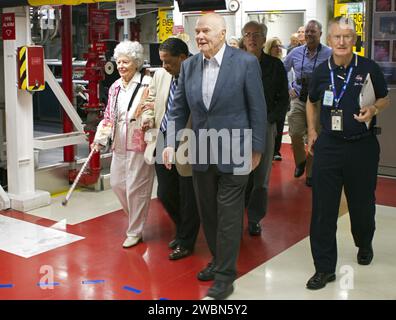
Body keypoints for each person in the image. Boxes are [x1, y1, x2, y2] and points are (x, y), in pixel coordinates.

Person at [162, 13, 266, 299]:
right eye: (197, 31)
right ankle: (219, 260)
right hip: (202, 150)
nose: (200, 36)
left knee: (230, 214)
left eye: (206, 30)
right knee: (208, 213)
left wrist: (257, 148)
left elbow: (257, 108)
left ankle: (224, 277)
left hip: (237, 149)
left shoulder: (245, 63)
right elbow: (178, 108)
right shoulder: (190, 67)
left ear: (222, 33)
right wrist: (170, 141)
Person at [306, 16, 390, 290]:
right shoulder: (321, 71)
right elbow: (311, 101)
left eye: (347, 37)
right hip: (329, 145)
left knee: (362, 204)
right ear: (329, 40)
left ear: (354, 40)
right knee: (323, 209)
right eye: (337, 37)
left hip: (362, 145)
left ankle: (364, 243)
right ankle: (324, 268)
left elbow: (384, 97)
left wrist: (374, 109)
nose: (342, 42)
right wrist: (312, 130)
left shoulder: (368, 68)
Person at [142, 37, 200, 260]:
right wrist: (147, 117)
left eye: (169, 62)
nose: (164, 66)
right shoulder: (160, 75)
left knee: (188, 193)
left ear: (183, 59)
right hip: (163, 137)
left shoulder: (198, 75)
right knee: (165, 192)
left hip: (189, 139)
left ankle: (186, 240)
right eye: (162, 61)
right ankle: (184, 227)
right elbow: (150, 101)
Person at [92, 41, 155, 248]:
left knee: (136, 188)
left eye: (125, 62)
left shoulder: (147, 83)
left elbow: (151, 109)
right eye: (118, 61)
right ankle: (138, 218)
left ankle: (135, 230)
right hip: (119, 141)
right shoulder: (115, 87)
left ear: (135, 62)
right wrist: (100, 138)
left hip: (140, 141)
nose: (120, 66)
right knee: (117, 183)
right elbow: (109, 115)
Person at [243, 27, 289, 236]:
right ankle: (235, 215)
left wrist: (270, 120)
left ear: (264, 39)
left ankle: (254, 218)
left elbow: (283, 99)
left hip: (265, 125)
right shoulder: (234, 62)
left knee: (261, 177)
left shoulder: (275, 65)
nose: (252, 38)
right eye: (248, 34)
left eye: (256, 35)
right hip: (238, 126)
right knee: (236, 174)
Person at [284, 20, 332, 187]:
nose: (310, 34)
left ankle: (310, 173)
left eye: (313, 31)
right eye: (307, 32)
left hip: (318, 100)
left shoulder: (329, 53)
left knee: (314, 137)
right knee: (295, 131)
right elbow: (282, 69)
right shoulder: (296, 52)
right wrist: (288, 86)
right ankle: (300, 161)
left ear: (320, 33)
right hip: (299, 96)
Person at [264, 37, 289, 162]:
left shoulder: (281, 63)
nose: (279, 48)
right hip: (268, 106)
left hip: (279, 104)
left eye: (280, 46)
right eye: (275, 46)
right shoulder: (266, 64)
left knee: (278, 128)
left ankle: (275, 151)